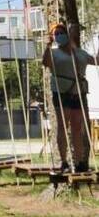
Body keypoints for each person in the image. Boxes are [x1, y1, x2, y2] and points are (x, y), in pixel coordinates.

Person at [42, 22, 97, 173]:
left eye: (61, 32)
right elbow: (45, 63)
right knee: (62, 125)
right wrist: (47, 46)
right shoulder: (53, 53)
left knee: (77, 127)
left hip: (78, 92)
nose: (59, 36)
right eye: (56, 34)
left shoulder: (80, 53)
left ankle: (79, 162)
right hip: (62, 92)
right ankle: (64, 162)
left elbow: (96, 61)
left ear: (67, 34)